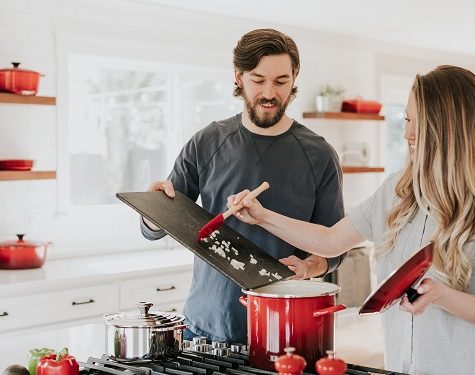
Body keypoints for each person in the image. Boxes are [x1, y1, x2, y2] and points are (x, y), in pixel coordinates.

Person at [230, 65, 475, 374]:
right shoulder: (398, 190)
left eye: (419, 122)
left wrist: (442, 296)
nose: (407, 133)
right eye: (406, 119)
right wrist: (262, 216)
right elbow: (331, 240)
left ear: (451, 128)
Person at [140, 28, 346, 344]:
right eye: (258, 80)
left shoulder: (319, 155)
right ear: (238, 76)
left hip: (285, 330)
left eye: (281, 82)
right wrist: (152, 212)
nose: (269, 93)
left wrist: (308, 266)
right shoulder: (206, 142)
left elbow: (335, 248)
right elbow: (159, 224)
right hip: (204, 328)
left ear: (294, 79)